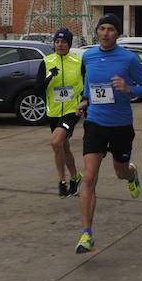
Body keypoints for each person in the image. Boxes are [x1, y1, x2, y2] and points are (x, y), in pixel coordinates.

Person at [74, 14, 142, 254]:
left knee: (120, 172)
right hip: (95, 122)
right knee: (88, 177)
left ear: (117, 34)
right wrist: (84, 102)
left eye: (110, 29)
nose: (105, 33)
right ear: (97, 32)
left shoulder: (128, 59)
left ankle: (132, 174)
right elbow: (88, 86)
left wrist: (129, 89)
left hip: (120, 125)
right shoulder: (88, 56)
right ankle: (86, 234)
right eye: (102, 28)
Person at [36, 28, 85, 199]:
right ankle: (75, 177)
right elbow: (37, 90)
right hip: (54, 112)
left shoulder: (79, 61)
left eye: (64, 42)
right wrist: (49, 77)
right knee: (63, 146)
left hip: (72, 110)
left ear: (69, 44)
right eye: (57, 41)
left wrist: (85, 104)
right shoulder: (47, 61)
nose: (60, 44)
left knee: (56, 142)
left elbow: (87, 84)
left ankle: (62, 182)